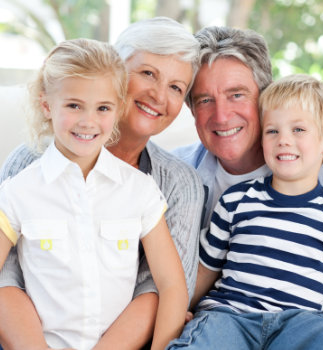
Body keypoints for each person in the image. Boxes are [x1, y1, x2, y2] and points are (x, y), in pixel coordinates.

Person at [0, 17, 204, 350]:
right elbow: (5, 279)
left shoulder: (147, 189)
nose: (88, 120)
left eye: (176, 87)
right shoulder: (22, 181)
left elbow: (167, 287)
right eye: (148, 73)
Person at [167, 74, 323, 350]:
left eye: (298, 130)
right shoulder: (237, 200)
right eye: (272, 131)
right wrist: (181, 309)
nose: (284, 140)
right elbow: (204, 271)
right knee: (205, 335)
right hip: (232, 318)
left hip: (297, 325)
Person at [173, 26, 323, 232]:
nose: (221, 117)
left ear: (266, 96)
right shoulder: (174, 175)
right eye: (205, 100)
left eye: (236, 95)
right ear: (191, 109)